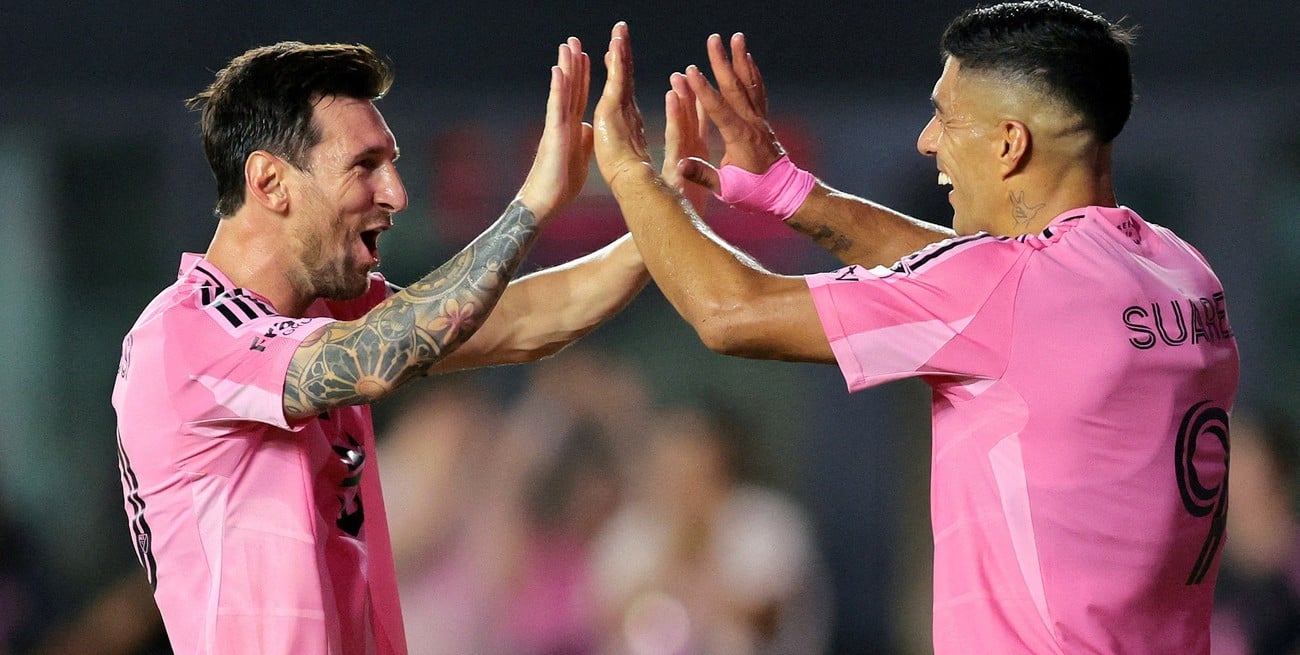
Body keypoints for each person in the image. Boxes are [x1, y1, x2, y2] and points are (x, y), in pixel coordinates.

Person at [590, 1, 1240, 652]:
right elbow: (975, 281)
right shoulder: (1181, 275)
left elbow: (730, 312)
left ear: (1010, 143)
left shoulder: (998, 292)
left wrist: (631, 177)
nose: (928, 140)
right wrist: (788, 191)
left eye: (945, 117)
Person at [111, 37, 652, 654]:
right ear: (269, 181)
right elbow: (376, 359)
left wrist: (670, 210)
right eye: (365, 165)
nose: (396, 192)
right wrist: (532, 203)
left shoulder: (333, 312)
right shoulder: (185, 334)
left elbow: (532, 318)